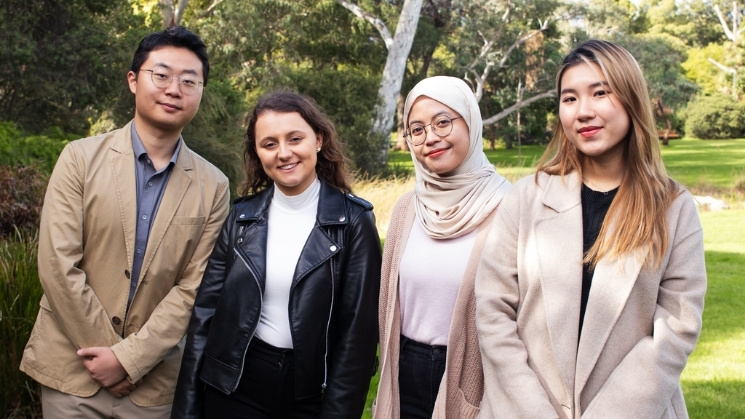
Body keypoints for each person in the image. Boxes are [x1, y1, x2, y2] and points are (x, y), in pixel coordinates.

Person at [475, 39, 707, 418]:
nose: (583, 111)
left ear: (632, 100)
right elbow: (492, 309)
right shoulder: (526, 198)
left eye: (600, 93)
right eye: (569, 99)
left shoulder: (673, 208)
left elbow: (675, 329)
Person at [19, 26, 230, 418]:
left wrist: (131, 360)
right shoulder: (79, 159)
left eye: (189, 81)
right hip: (73, 373)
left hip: (152, 387)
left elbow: (193, 288)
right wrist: (111, 360)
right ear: (134, 81)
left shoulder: (214, 185)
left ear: (201, 91)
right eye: (161, 75)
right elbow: (58, 265)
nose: (174, 89)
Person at [172, 91, 382, 419]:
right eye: (269, 144)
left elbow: (358, 338)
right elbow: (204, 318)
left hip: (311, 393)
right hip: (236, 386)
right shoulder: (242, 218)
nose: (283, 153)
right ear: (257, 152)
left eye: (295, 138)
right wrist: (186, 410)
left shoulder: (353, 222)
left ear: (318, 140)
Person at [374, 76, 511, 419]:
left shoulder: (510, 207)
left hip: (473, 376)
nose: (430, 137)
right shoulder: (407, 209)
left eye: (443, 122)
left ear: (470, 122)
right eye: (416, 129)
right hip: (404, 372)